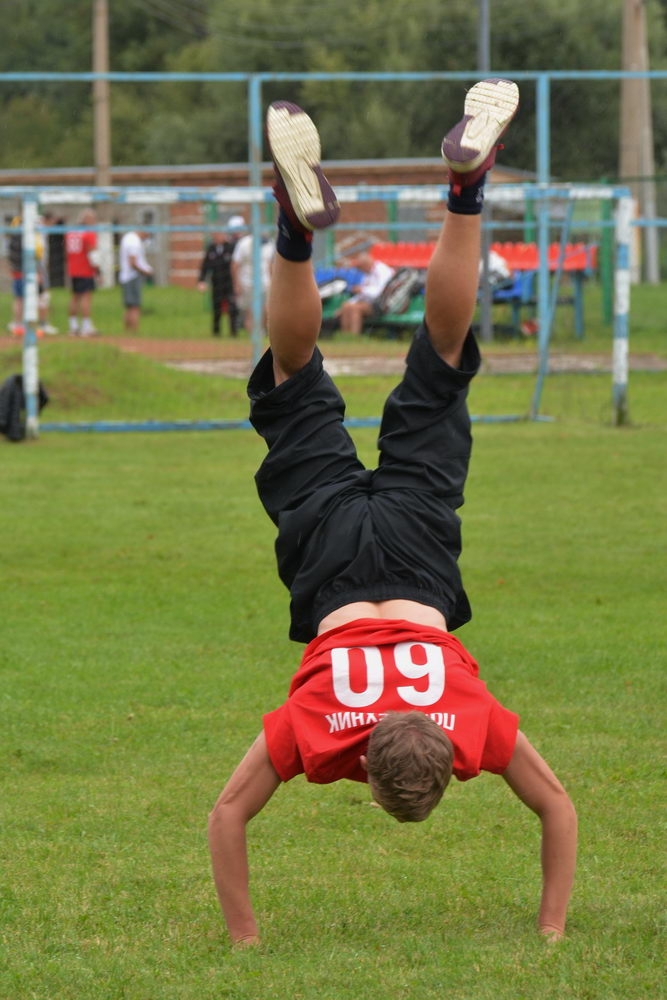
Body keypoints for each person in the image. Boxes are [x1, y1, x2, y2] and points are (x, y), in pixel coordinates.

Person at [208, 83, 577, 949]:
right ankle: (296, 236)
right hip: (332, 564)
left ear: (449, 763)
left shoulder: (471, 723)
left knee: (442, 361)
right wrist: (245, 942)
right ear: (368, 773)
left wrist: (555, 926)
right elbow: (227, 814)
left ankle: (465, 190)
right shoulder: (318, 735)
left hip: (416, 556)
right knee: (294, 382)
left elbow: (557, 807)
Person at [197, 215, 244, 337]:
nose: (216, 236)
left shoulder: (231, 248)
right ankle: (216, 333)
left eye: (218, 233)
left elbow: (237, 265)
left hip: (229, 283)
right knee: (216, 309)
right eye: (214, 234)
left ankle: (234, 333)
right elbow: (205, 266)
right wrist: (201, 281)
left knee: (232, 308)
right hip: (216, 283)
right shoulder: (211, 248)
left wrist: (238, 282)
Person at [231, 223, 275, 333]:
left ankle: (261, 332)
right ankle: (253, 337)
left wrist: (273, 283)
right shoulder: (243, 244)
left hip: (265, 283)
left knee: (266, 309)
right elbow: (235, 265)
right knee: (250, 312)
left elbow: (270, 265)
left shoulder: (269, 244)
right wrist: (236, 284)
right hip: (246, 283)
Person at [337, 249, 395, 334]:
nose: (360, 270)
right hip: (369, 303)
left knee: (355, 308)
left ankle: (354, 336)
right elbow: (363, 294)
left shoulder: (383, 271)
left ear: (365, 264)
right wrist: (350, 302)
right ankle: (345, 336)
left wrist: (362, 290)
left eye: (360, 267)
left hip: (382, 304)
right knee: (346, 306)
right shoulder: (367, 274)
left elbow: (380, 292)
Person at [65, 209, 99, 337]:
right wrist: (97, 270)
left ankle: (73, 326)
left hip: (73, 269)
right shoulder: (89, 233)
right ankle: (86, 326)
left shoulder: (71, 233)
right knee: (86, 297)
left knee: (74, 297)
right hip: (85, 270)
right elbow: (93, 253)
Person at [118, 229, 153, 333]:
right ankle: (134, 331)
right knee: (135, 306)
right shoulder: (134, 243)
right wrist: (144, 271)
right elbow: (132, 262)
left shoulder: (128, 237)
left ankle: (127, 332)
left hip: (124, 276)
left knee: (128, 306)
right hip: (132, 277)